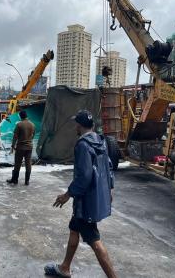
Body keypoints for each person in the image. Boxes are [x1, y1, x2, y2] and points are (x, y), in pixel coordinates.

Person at [44, 110, 117, 278]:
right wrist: (110, 188)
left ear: (80, 125)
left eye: (76, 123)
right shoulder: (100, 140)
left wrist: (67, 194)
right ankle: (65, 267)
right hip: (93, 196)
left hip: (86, 201)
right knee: (74, 229)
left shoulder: (83, 145)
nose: (75, 126)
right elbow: (109, 167)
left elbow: (84, 176)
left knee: (94, 241)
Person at [7, 110, 35, 185]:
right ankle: (27, 181)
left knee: (17, 164)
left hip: (20, 147)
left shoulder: (19, 125)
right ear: (26, 116)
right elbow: (33, 135)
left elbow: (15, 136)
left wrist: (13, 146)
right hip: (29, 147)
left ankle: (15, 180)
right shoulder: (32, 124)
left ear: (20, 116)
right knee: (28, 164)